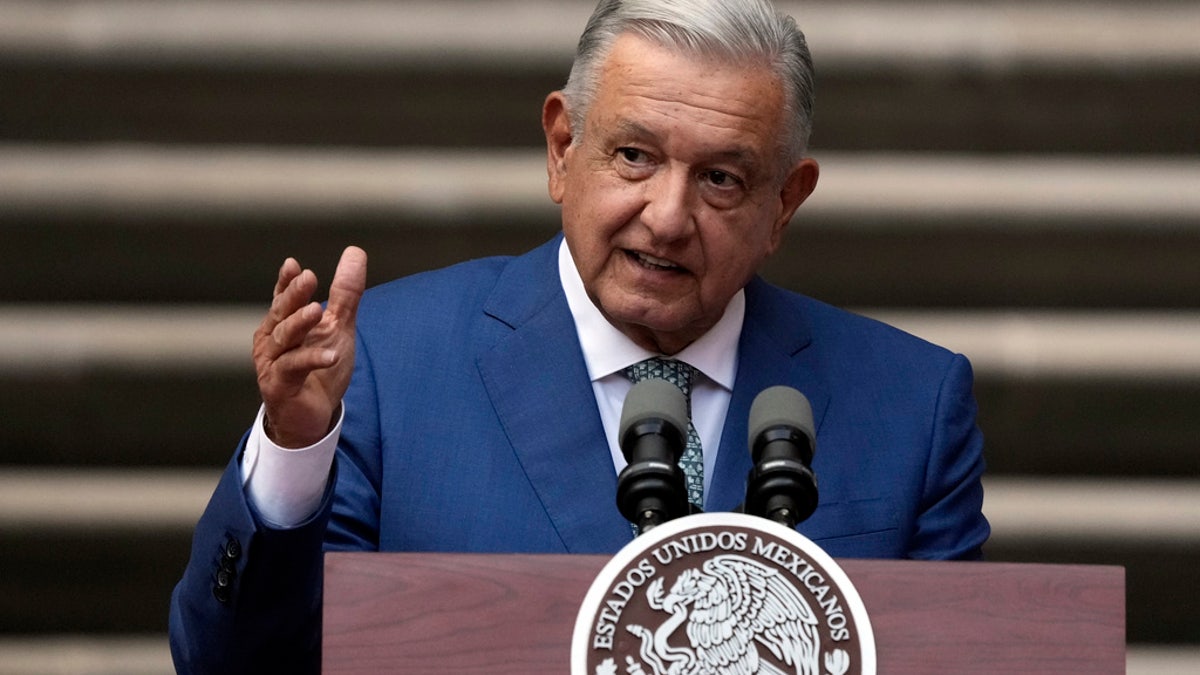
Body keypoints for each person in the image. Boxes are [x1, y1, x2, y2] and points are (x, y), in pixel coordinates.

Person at [169, 0, 989, 672]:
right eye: (634, 155)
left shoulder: (911, 406)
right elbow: (232, 663)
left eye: (721, 178)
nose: (668, 218)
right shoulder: (390, 364)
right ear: (563, 149)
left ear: (784, 202)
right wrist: (294, 449)